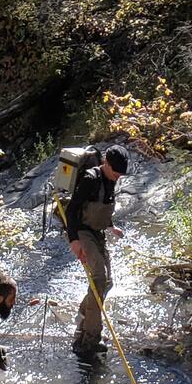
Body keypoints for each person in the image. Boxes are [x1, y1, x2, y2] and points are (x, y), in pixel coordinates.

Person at [64, 144, 128, 357]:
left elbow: (102, 205)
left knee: (107, 283)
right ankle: (89, 340)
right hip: (82, 232)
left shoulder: (111, 180)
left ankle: (83, 319)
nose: (118, 176)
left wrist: (111, 226)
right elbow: (72, 210)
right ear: (106, 163)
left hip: (98, 233)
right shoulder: (90, 179)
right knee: (99, 277)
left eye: (120, 174)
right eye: (115, 172)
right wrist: (74, 241)